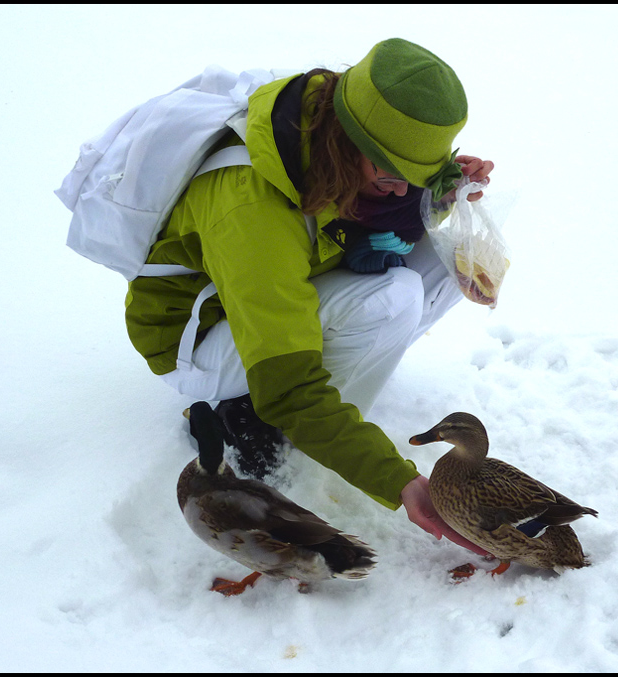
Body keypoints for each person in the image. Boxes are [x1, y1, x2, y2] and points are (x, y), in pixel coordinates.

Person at [125, 38, 493, 556]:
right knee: (395, 297)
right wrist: (399, 481)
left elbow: (366, 212)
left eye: (415, 178)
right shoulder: (251, 210)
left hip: (263, 300)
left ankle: (325, 413)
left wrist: (442, 189)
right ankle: (270, 428)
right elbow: (292, 388)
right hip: (199, 339)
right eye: (392, 176)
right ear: (350, 141)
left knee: (452, 259)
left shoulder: (328, 138)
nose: (400, 192)